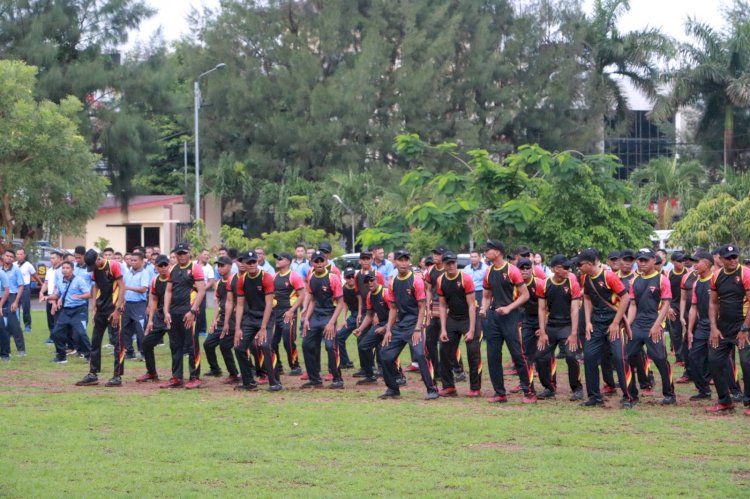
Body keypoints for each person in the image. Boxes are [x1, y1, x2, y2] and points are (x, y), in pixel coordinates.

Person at [378, 249, 438, 400]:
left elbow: (422, 306)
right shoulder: (392, 282)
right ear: (395, 262)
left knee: (420, 354)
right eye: (400, 260)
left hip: (415, 324)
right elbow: (392, 308)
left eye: (406, 260)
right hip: (400, 325)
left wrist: (418, 328)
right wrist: (388, 330)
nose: (404, 263)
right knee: (384, 354)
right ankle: (393, 388)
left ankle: (432, 389)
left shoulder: (416, 280)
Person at [479, 239, 534, 404]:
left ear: (497, 252)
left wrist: (509, 308)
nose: (485, 253)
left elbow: (525, 295)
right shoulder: (488, 271)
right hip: (494, 317)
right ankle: (499, 393)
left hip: (511, 317)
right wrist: (483, 308)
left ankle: (529, 392)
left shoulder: (512, 270)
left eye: (487, 250)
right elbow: (487, 296)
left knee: (518, 355)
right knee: (493, 355)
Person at [578, 248, 632, 407]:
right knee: (589, 357)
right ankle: (594, 396)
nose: (578, 267)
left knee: (619, 358)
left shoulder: (608, 276)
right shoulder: (584, 278)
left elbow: (625, 298)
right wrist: (587, 321)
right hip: (596, 322)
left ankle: (628, 397)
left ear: (589, 264)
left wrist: (616, 323)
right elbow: (587, 298)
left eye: (580, 264)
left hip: (613, 322)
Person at [625, 249, 676, 407]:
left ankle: (669, 393)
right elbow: (633, 305)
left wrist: (656, 325)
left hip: (654, 325)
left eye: (645, 260)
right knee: (626, 358)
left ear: (654, 261)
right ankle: (631, 394)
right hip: (637, 326)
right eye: (639, 260)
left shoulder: (662, 279)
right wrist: (627, 324)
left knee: (660, 359)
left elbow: (666, 304)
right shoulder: (634, 281)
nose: (642, 263)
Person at [706, 244, 750, 414]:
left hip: (744, 326)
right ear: (721, 259)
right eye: (729, 258)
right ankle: (725, 401)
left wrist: (745, 328)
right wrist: (714, 328)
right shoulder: (716, 276)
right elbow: (713, 302)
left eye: (735, 257)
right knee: (714, 361)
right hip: (723, 327)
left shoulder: (745, 273)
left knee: (746, 363)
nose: (733, 260)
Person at [535, 254, 583, 401]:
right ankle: (549, 387)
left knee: (571, 355)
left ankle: (577, 388)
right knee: (540, 357)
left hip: (567, 326)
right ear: (556, 269)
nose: (569, 270)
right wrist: (542, 332)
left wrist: (574, 333)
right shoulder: (543, 284)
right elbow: (542, 309)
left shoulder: (572, 284)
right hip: (551, 326)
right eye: (566, 268)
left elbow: (575, 310)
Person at [233, 250, 281, 392]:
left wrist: (263, 328)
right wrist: (237, 328)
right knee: (239, 348)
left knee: (265, 346)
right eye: (249, 262)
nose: (252, 264)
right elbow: (240, 305)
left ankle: (275, 382)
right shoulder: (241, 280)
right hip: (250, 318)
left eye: (254, 261)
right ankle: (249, 382)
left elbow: (268, 304)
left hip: (266, 316)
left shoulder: (266, 277)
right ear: (244, 264)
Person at [160, 242, 206, 390]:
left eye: (184, 253)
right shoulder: (172, 269)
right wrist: (166, 312)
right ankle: (176, 377)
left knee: (192, 345)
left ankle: (194, 377)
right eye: (178, 253)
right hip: (174, 312)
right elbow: (168, 291)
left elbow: (202, 291)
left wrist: (192, 311)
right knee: (175, 346)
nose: (181, 256)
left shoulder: (195, 268)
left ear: (189, 253)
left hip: (189, 313)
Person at [75, 249, 124, 386]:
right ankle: (93, 374)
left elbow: (122, 287)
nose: (93, 269)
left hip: (113, 309)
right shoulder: (95, 269)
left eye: (93, 265)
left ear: (98, 259)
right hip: (101, 310)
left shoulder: (113, 265)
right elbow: (96, 286)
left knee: (117, 343)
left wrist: (118, 310)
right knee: (95, 341)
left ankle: (117, 376)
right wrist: (94, 307)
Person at [436, 251, 480, 397]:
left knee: (473, 352)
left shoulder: (465, 279)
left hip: (469, 318)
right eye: (447, 263)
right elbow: (442, 305)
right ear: (443, 265)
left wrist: (472, 329)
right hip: (453, 318)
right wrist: (443, 329)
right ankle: (449, 386)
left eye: (453, 263)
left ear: (456, 263)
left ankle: (475, 388)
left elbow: (472, 305)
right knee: (444, 350)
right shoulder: (441, 280)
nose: (451, 266)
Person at [301, 250, 347, 389]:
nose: (320, 264)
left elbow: (340, 302)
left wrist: (332, 323)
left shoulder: (333, 277)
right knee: (306, 344)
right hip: (315, 315)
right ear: (312, 263)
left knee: (330, 346)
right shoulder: (312, 277)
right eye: (317, 261)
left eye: (322, 261)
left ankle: (337, 379)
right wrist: (306, 318)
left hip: (329, 314)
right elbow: (313, 300)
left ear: (326, 261)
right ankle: (314, 378)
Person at [203, 256, 240, 380]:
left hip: (233, 319)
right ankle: (215, 369)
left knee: (225, 346)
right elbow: (218, 303)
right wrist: (214, 320)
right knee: (208, 344)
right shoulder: (218, 283)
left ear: (230, 266)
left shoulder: (236, 280)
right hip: (222, 318)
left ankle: (234, 373)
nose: (219, 268)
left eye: (222, 265)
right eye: (218, 265)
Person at [685, 250, 716, 401]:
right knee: (693, 358)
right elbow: (693, 307)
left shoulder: (716, 280)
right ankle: (704, 390)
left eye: (698, 262)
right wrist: (690, 330)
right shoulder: (696, 283)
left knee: (718, 360)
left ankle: (735, 391)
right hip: (702, 326)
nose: (694, 265)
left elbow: (721, 305)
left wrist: (716, 327)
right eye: (693, 262)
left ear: (708, 263)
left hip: (717, 325)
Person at [137, 254, 171, 383]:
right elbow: (153, 300)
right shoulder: (155, 280)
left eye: (165, 265)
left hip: (173, 316)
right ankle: (151, 373)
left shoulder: (173, 279)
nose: (163, 268)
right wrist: (150, 320)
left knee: (177, 346)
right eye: (160, 265)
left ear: (169, 265)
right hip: (160, 317)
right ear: (155, 267)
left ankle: (179, 376)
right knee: (146, 343)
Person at [49, 262, 91, 364]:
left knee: (81, 334)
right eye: (63, 268)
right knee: (56, 333)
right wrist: (47, 297)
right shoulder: (60, 281)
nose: (65, 270)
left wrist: (80, 296)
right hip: (66, 311)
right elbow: (57, 295)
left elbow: (88, 294)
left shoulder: (79, 280)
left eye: (67, 268)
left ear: (72, 269)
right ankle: (61, 357)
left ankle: (89, 356)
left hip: (79, 310)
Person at [271, 252, 305, 376]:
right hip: (275, 313)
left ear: (288, 262)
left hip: (288, 313)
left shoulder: (293, 277)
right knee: (272, 341)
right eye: (277, 259)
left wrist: (291, 311)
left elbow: (302, 295)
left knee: (288, 340)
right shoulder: (274, 277)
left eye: (280, 258)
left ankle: (295, 366)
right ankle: (277, 365)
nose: (278, 260)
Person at [352, 251, 385, 377]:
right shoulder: (357, 276)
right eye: (363, 259)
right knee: (361, 338)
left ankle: (381, 367)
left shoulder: (378, 274)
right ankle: (366, 367)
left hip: (377, 310)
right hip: (366, 310)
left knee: (377, 338)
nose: (365, 261)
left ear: (371, 260)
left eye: (367, 259)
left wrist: (377, 314)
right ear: (360, 261)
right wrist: (360, 312)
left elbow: (382, 293)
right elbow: (359, 295)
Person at [515, 258, 541, 398]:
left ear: (532, 269)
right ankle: (526, 383)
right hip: (525, 320)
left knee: (544, 355)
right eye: (522, 268)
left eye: (527, 268)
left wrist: (544, 326)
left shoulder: (539, 284)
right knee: (524, 353)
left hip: (541, 319)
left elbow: (547, 306)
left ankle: (551, 385)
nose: (524, 270)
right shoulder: (515, 285)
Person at [424, 245, 448, 387]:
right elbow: (427, 290)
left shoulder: (447, 269)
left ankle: (457, 369)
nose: (435, 256)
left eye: (438, 254)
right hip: (434, 308)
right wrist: (428, 310)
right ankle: (436, 370)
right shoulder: (431, 270)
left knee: (446, 341)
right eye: (434, 253)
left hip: (446, 308)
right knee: (430, 341)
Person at [121, 251, 151, 363]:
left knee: (140, 330)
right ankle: (129, 352)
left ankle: (143, 353)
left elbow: (143, 289)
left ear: (142, 262)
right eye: (131, 260)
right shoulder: (128, 273)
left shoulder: (144, 273)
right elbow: (122, 288)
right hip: (127, 304)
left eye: (135, 260)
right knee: (125, 329)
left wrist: (128, 287)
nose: (132, 262)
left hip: (139, 304)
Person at [336, 267, 361, 370]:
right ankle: (345, 362)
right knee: (339, 336)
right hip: (353, 315)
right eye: (348, 277)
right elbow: (345, 304)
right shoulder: (344, 288)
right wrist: (344, 319)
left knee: (363, 341)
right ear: (345, 278)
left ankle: (368, 367)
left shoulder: (359, 287)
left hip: (362, 314)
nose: (351, 279)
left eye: (352, 276)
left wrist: (360, 315)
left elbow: (361, 301)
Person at [2, 249, 26, 357]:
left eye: (11, 257)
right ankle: (7, 350)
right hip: (2, 297)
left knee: (14, 325)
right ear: (3, 256)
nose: (9, 258)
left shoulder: (16, 270)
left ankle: (21, 350)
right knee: (3, 325)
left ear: (13, 259)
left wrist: (16, 302)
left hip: (12, 297)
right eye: (7, 256)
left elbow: (21, 286)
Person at [667, 251, 688, 367]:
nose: (682, 263)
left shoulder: (688, 273)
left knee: (689, 331)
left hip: (687, 306)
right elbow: (665, 293)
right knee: (676, 333)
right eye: (679, 261)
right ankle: (679, 358)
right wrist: (668, 308)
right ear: (673, 262)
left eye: (683, 260)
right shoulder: (669, 274)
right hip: (674, 305)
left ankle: (687, 356)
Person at [39, 249, 64, 344]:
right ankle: (52, 336)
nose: (51, 260)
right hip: (49, 296)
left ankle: (58, 338)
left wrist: (54, 301)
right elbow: (46, 283)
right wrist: (41, 292)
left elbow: (57, 286)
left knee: (57, 319)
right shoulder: (49, 270)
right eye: (51, 258)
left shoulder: (62, 270)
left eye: (54, 258)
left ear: (60, 258)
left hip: (57, 297)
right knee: (50, 318)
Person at [14, 248, 41, 333]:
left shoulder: (28, 265)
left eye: (21, 254)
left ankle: (28, 326)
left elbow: (35, 275)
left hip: (25, 287)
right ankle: (15, 326)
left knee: (26, 307)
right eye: (18, 254)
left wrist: (41, 283)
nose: (19, 256)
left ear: (24, 255)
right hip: (15, 288)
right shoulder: (13, 265)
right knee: (15, 307)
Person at [195, 249, 216, 337]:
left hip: (202, 292)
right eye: (204, 254)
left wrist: (202, 289)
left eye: (208, 255)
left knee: (201, 310)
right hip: (192, 291)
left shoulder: (209, 267)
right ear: (200, 255)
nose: (206, 256)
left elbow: (211, 281)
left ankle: (202, 330)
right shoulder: (193, 264)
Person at [0, 268, 10, 361]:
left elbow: (7, 290)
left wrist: (0, 305)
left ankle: (5, 354)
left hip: (1, 300)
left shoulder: (1, 273)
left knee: (2, 328)